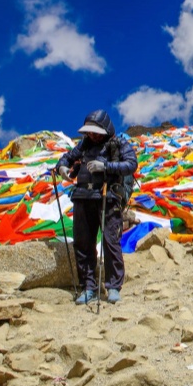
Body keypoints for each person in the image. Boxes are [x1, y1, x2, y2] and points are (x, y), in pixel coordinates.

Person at [55, 109, 138, 305]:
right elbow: (67, 157)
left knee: (110, 242)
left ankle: (113, 286)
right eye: (89, 132)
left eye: (95, 132)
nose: (91, 135)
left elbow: (131, 164)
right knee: (83, 243)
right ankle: (89, 286)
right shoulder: (84, 144)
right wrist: (62, 168)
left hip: (107, 197)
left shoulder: (118, 144)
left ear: (105, 129)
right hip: (82, 197)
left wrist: (106, 167)